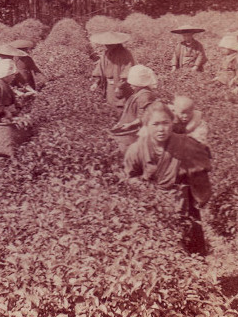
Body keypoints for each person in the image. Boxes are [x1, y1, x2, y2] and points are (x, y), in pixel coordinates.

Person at [124, 101, 212, 254]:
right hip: (151, 206)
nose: (161, 129)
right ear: (147, 125)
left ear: (172, 123)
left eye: (165, 123)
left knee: (190, 249)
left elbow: (202, 169)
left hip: (183, 204)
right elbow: (130, 177)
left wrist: (195, 190)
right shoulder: (136, 150)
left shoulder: (186, 144)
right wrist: (149, 192)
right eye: (155, 124)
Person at [110, 65, 158, 152]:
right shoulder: (138, 93)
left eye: (133, 84)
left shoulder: (145, 96)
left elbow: (145, 117)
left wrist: (130, 125)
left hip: (134, 134)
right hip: (129, 131)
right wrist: (120, 123)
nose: (131, 85)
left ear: (140, 84)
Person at [89, 31, 135, 108]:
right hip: (109, 86)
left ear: (116, 43)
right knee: (110, 106)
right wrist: (96, 83)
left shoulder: (126, 54)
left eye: (109, 44)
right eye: (106, 44)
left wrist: (119, 86)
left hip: (122, 86)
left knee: (121, 106)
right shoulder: (106, 54)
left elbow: (127, 71)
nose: (107, 46)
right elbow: (100, 69)